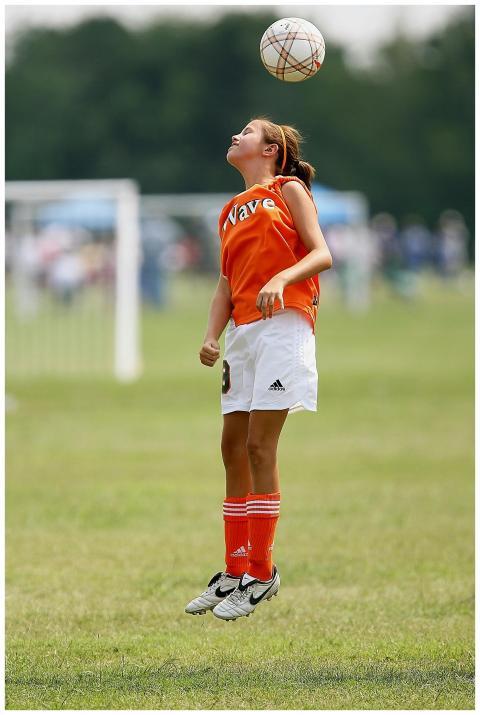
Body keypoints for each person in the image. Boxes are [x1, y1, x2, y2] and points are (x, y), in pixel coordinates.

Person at [185, 117, 333, 621]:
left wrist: (282, 278)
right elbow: (225, 284)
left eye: (246, 131)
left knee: (258, 447)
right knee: (231, 449)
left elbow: (321, 253)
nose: (234, 135)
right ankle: (233, 569)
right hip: (243, 335)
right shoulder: (228, 211)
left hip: (282, 326)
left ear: (270, 150)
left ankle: (262, 571)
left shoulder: (287, 189)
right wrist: (211, 334)